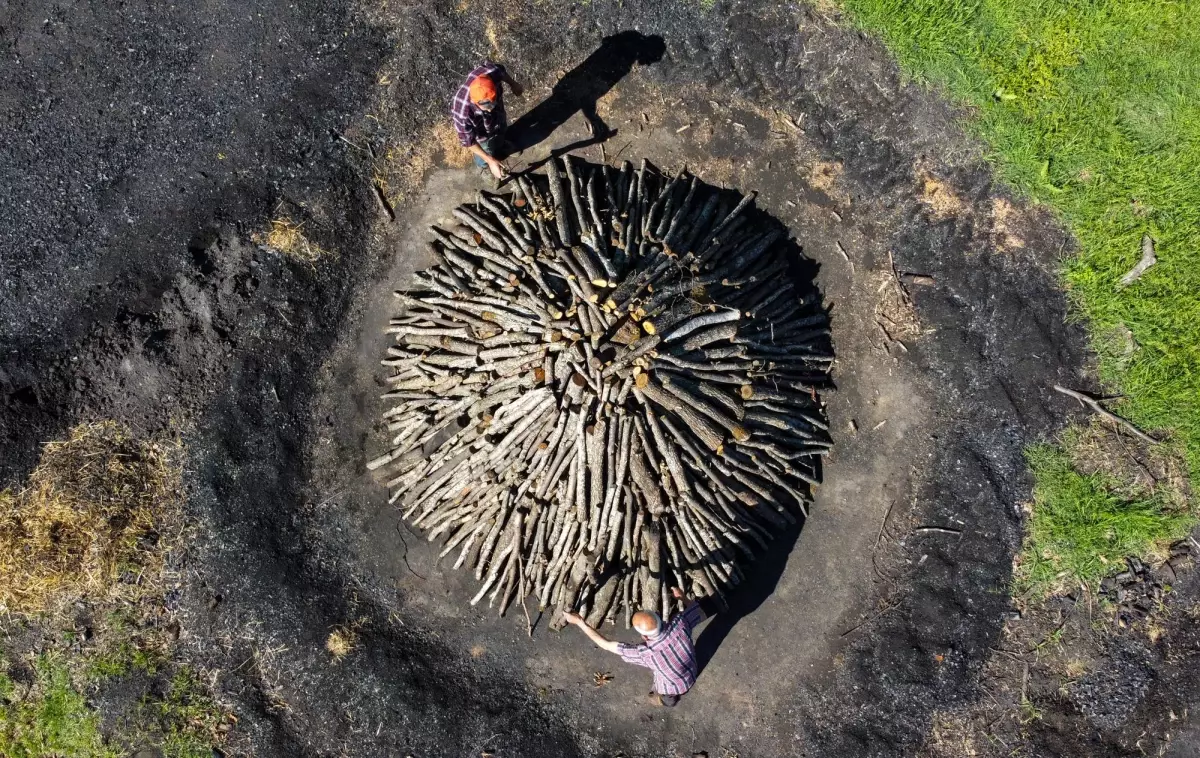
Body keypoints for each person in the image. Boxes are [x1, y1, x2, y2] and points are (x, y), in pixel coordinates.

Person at [563, 587, 716, 707]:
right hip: (691, 672)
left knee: (664, 699)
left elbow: (606, 645)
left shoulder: (646, 653)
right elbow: (700, 612)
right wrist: (682, 597)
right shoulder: (680, 623)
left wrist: (580, 623)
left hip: (671, 689)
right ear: (660, 620)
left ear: (644, 636)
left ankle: (663, 701)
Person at [450, 61, 523, 181]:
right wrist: (490, 160)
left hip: (497, 119)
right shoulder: (462, 111)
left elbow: (502, 72)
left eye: (493, 103)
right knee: (485, 147)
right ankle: (484, 167)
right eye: (486, 107)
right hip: (480, 132)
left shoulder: (492, 72)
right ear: (475, 101)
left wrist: (513, 84)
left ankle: (501, 146)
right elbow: (468, 141)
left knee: (501, 128)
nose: (490, 110)